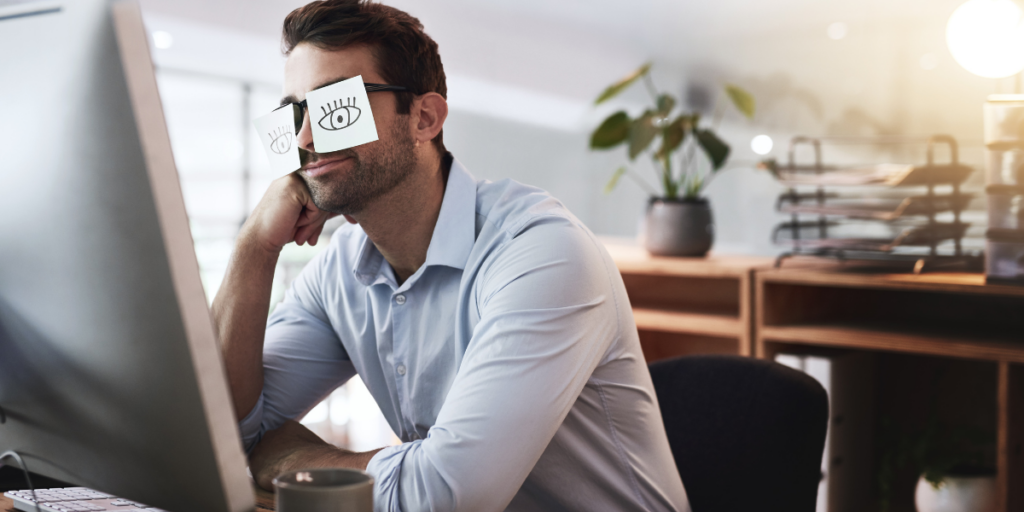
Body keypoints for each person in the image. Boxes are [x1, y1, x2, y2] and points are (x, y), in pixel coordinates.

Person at [213, 1, 690, 510]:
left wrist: (293, 462)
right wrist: (255, 247)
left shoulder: (541, 255)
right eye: (295, 114)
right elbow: (216, 425)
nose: (306, 139)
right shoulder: (341, 272)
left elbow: (445, 495)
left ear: (423, 117)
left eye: (337, 108)